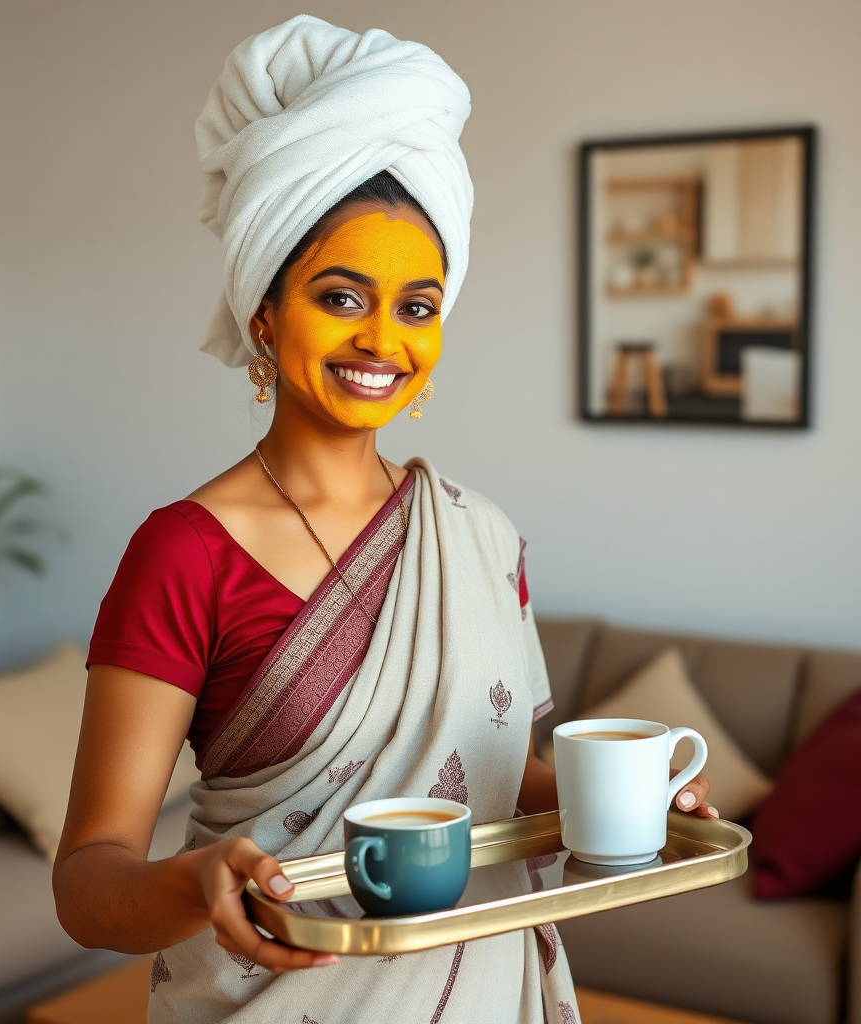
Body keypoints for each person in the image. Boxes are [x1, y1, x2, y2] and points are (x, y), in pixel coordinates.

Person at [52, 16, 715, 1024]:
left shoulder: (479, 533)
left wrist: (631, 805)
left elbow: (501, 783)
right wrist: (197, 881)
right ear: (262, 311)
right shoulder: (183, 552)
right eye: (340, 295)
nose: (381, 338)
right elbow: (88, 882)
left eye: (416, 305)